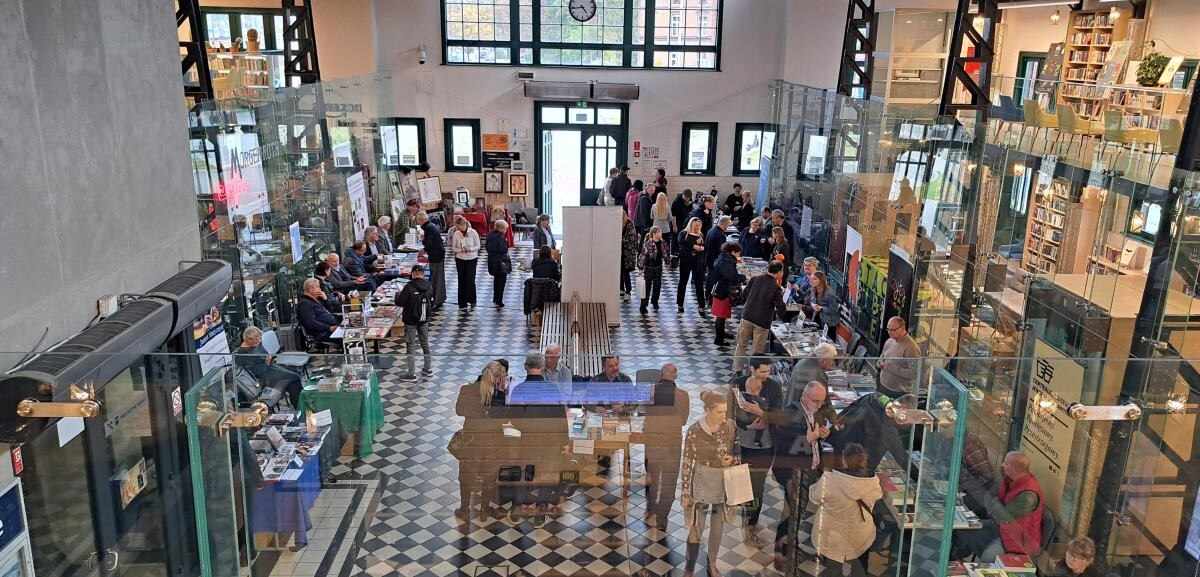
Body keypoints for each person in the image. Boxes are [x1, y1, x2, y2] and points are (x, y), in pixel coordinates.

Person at [773, 380, 836, 567]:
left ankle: (792, 547)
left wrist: (823, 434)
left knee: (798, 512)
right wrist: (807, 439)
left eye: (821, 402)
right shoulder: (789, 415)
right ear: (803, 397)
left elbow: (815, 436)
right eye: (815, 401)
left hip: (810, 469)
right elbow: (783, 450)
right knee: (791, 512)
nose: (818, 405)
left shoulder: (813, 412)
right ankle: (782, 553)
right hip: (792, 472)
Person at [681, 390, 740, 577]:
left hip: (722, 483)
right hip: (701, 483)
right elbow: (686, 462)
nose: (723, 416)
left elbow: (738, 454)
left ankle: (712, 563)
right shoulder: (694, 431)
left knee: (717, 527)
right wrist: (684, 493)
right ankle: (689, 568)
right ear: (707, 410)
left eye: (725, 411)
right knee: (696, 527)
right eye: (719, 412)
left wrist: (733, 460)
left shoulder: (731, 427)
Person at [729, 357, 784, 547]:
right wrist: (745, 424)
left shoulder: (774, 388)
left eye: (768, 371)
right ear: (751, 369)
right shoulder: (736, 384)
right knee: (742, 484)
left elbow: (779, 415)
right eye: (762, 371)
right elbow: (728, 414)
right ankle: (745, 513)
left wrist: (760, 412)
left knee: (757, 488)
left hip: (765, 447)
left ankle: (750, 523)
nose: (766, 375)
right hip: (741, 445)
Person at [956, 451, 1044, 562]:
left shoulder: (1028, 496)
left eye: (1006, 463)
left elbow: (1004, 517)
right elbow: (988, 495)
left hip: (1017, 540)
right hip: (1000, 528)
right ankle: (956, 563)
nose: (1002, 465)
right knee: (963, 529)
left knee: (988, 558)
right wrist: (995, 507)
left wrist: (995, 502)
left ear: (1015, 469)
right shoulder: (1009, 479)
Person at [810, 443, 882, 577]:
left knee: (833, 567)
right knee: (860, 565)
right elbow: (878, 496)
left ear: (844, 459)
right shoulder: (872, 482)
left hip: (832, 536)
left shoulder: (829, 479)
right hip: (860, 534)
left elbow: (814, 497)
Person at [453, 361, 509, 522]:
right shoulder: (500, 396)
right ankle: (485, 510)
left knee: (466, 475)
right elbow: (505, 419)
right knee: (489, 476)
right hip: (493, 442)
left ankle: (464, 510)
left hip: (471, 440)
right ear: (498, 378)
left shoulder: (466, 389)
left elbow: (459, 411)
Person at [643, 363, 688, 531]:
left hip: (653, 442)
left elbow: (646, 413)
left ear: (660, 376)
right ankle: (662, 518)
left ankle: (651, 510)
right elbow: (683, 421)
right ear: (675, 377)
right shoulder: (683, 395)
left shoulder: (650, 391)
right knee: (669, 483)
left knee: (652, 478)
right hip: (672, 444)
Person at [734, 261, 788, 373]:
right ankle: (752, 374)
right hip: (762, 322)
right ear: (779, 273)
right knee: (756, 351)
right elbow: (780, 307)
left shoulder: (755, 279)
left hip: (747, 316)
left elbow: (743, 295)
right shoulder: (776, 287)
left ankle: (737, 371)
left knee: (741, 345)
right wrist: (783, 318)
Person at [235, 326, 302, 408]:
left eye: (260, 339)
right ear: (248, 339)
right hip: (262, 378)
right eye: (257, 340)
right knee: (294, 377)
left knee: (294, 375)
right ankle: (299, 406)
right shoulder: (243, 353)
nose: (259, 342)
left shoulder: (257, 344)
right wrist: (266, 363)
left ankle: (300, 406)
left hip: (270, 368)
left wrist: (268, 357)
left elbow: (265, 354)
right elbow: (252, 372)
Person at [394, 264, 433, 381]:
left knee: (410, 346)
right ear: (423, 274)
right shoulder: (429, 286)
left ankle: (411, 374)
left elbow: (399, 302)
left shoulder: (409, 287)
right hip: (424, 319)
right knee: (425, 343)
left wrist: (397, 295)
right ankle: (428, 369)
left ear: (412, 274)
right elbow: (433, 301)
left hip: (410, 321)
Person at [709, 242, 746, 346]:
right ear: (733, 252)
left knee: (722, 315)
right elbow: (731, 277)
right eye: (738, 253)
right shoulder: (725, 262)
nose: (739, 255)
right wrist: (743, 278)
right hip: (721, 291)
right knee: (720, 316)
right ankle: (718, 339)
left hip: (722, 290)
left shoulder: (726, 259)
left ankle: (722, 333)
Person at [878, 316, 921, 398]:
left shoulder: (911, 347)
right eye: (888, 329)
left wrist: (891, 368)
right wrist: (879, 362)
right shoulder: (890, 340)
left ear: (903, 328)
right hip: (883, 386)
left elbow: (914, 373)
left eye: (893, 330)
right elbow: (883, 356)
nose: (890, 332)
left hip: (899, 392)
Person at [677, 217, 708, 315]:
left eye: (699, 225)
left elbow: (705, 246)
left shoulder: (701, 235)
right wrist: (694, 246)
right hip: (685, 261)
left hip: (697, 262)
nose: (697, 227)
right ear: (691, 224)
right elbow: (681, 241)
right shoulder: (684, 233)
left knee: (699, 284)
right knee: (683, 282)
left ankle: (701, 306)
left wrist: (702, 247)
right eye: (696, 225)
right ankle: (680, 304)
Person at [416, 211, 447, 309]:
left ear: (422, 220)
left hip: (436, 256)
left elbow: (428, 243)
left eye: (418, 221)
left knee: (436, 278)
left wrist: (423, 245)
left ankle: (437, 301)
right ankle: (439, 299)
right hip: (438, 254)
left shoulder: (428, 228)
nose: (418, 223)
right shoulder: (431, 225)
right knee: (438, 277)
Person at [450, 215, 481, 311]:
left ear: (465, 224)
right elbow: (453, 248)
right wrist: (460, 250)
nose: (459, 228)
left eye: (461, 226)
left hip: (472, 259)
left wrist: (470, 249)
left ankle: (472, 300)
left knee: (470, 280)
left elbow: (478, 246)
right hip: (460, 259)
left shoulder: (473, 232)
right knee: (461, 280)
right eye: (458, 227)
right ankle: (462, 302)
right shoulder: (456, 234)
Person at [638, 225, 672, 314]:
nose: (660, 233)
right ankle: (643, 305)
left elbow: (667, 253)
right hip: (649, 268)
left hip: (658, 267)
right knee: (647, 287)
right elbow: (642, 256)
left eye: (660, 231)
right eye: (658, 232)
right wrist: (640, 268)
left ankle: (655, 301)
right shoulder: (648, 243)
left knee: (657, 285)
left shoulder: (663, 243)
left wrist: (667, 263)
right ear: (653, 233)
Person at [297, 278, 339, 344]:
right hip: (322, 333)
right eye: (318, 287)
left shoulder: (315, 300)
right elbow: (310, 323)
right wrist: (329, 328)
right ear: (311, 289)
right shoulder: (305, 304)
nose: (320, 289)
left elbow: (330, 313)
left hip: (331, 329)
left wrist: (326, 300)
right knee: (349, 337)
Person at [804, 271, 838, 339]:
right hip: (817, 318)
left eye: (814, 279)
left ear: (821, 280)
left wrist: (821, 308)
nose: (811, 281)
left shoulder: (830, 294)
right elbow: (812, 301)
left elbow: (834, 310)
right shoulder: (813, 289)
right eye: (811, 279)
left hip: (828, 323)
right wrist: (813, 305)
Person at [485, 220, 510, 308]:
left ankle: (495, 298)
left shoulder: (489, 235)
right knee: (501, 282)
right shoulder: (501, 237)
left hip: (492, 261)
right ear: (501, 228)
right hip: (501, 262)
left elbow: (487, 248)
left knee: (496, 280)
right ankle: (499, 301)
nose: (506, 231)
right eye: (505, 229)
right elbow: (503, 249)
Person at [620, 211, 638, 303]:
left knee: (626, 272)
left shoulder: (630, 224)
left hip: (628, 253)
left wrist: (620, 239)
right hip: (619, 252)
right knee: (619, 271)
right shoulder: (617, 223)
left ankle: (628, 292)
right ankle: (621, 289)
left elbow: (632, 239)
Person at [650, 191, 675, 260]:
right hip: (665, 229)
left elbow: (651, 217)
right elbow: (670, 218)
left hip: (655, 228)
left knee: (656, 243)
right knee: (666, 245)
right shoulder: (668, 207)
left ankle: (657, 257)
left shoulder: (653, 206)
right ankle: (667, 258)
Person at [671, 189, 695, 256]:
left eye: (689, 198)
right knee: (675, 238)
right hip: (677, 222)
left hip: (685, 221)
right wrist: (674, 226)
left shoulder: (689, 200)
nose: (688, 199)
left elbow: (690, 210)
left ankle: (680, 251)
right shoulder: (676, 202)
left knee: (683, 237)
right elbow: (673, 216)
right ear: (683, 195)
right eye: (686, 198)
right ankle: (673, 252)